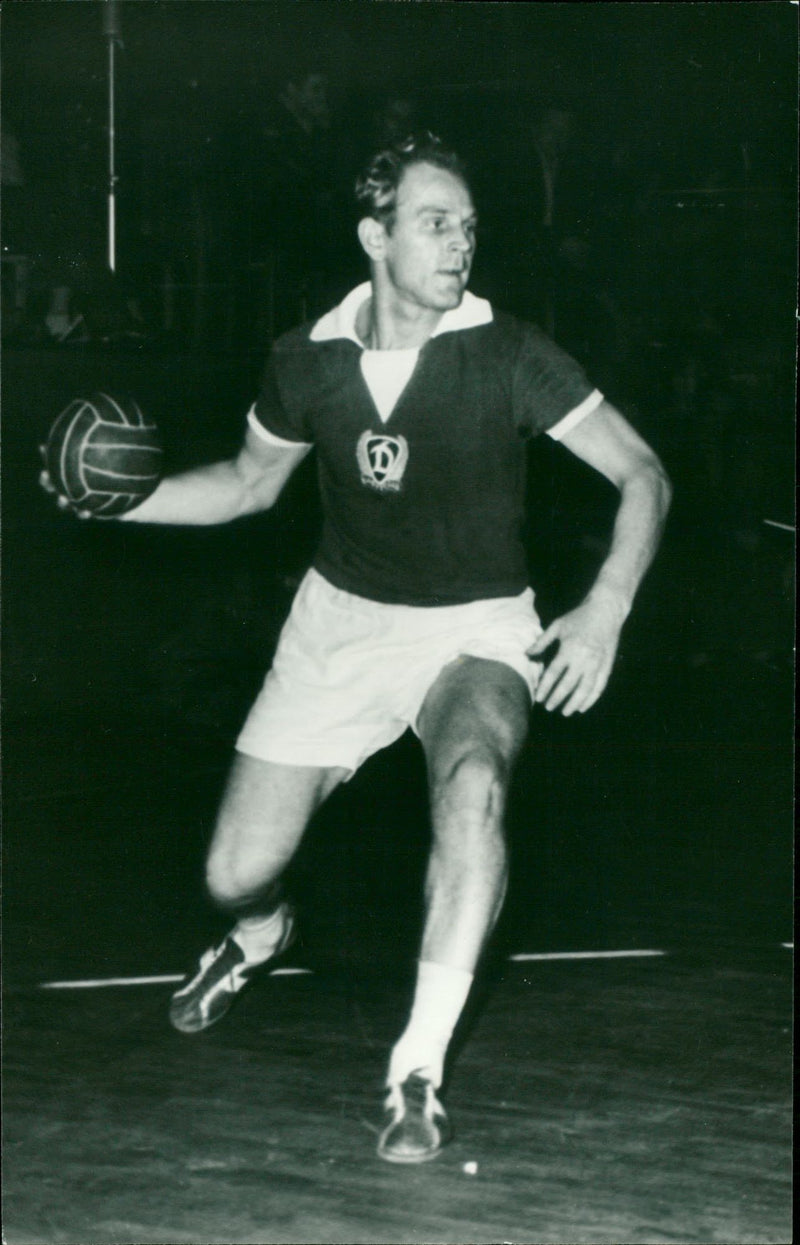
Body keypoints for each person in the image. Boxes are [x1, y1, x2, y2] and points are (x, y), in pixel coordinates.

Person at [41, 134, 671, 1164]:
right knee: (233, 872)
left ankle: (413, 1071)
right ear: (373, 236)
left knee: (473, 788)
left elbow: (642, 473)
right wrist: (131, 502)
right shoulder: (305, 362)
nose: (459, 243)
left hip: (476, 626)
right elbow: (247, 485)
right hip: (338, 626)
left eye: (467, 225)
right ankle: (255, 939)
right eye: (434, 223)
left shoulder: (510, 354)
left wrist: (601, 608)